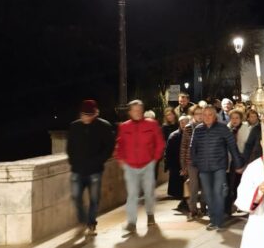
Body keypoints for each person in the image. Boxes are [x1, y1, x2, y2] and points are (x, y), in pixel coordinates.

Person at [190, 105, 244, 231]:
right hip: (203, 168)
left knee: (218, 193)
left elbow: (232, 147)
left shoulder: (222, 128)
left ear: (215, 116)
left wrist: (238, 164)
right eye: (205, 115)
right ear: (202, 116)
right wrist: (195, 162)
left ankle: (218, 221)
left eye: (210, 115)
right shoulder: (198, 129)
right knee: (208, 195)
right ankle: (213, 220)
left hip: (219, 167)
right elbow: (193, 148)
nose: (207, 117)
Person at [115, 100, 166, 233]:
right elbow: (119, 145)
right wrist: (120, 159)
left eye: (139, 110)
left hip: (148, 164)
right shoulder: (124, 127)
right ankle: (131, 222)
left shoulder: (152, 124)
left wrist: (154, 159)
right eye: (134, 110)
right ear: (130, 112)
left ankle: (150, 215)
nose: (137, 112)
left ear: (142, 111)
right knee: (132, 194)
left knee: (149, 192)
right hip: (130, 166)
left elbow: (160, 143)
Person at [66, 99, 115, 236]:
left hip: (95, 171)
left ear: (95, 114)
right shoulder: (74, 126)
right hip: (77, 170)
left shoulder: (104, 126)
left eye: (88, 115)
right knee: (76, 197)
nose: (85, 118)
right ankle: (83, 220)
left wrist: (99, 161)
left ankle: (91, 223)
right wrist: (73, 162)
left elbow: (109, 148)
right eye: (83, 114)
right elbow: (70, 147)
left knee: (94, 198)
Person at [181, 104, 207, 220]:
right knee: (194, 186)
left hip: (206, 161)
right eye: (197, 114)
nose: (200, 116)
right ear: (193, 115)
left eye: (202, 113)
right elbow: (184, 147)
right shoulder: (188, 127)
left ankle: (203, 207)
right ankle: (193, 209)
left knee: (205, 186)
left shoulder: (208, 126)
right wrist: (183, 165)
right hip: (191, 161)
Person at [165, 115, 190, 202]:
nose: (183, 124)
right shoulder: (173, 135)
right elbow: (168, 151)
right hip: (176, 163)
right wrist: (169, 165)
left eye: (186, 122)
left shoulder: (192, 133)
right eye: (182, 122)